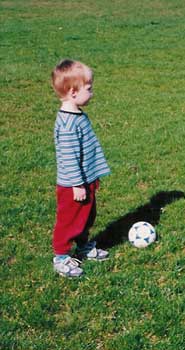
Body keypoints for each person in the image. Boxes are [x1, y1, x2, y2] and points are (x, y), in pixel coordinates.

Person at [51, 59, 111, 277]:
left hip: (85, 180)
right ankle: (61, 256)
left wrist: (92, 176)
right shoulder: (67, 124)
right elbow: (68, 157)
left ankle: (83, 245)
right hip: (73, 185)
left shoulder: (76, 115)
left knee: (86, 216)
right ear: (73, 92)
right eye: (89, 88)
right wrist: (77, 184)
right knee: (69, 220)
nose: (92, 93)